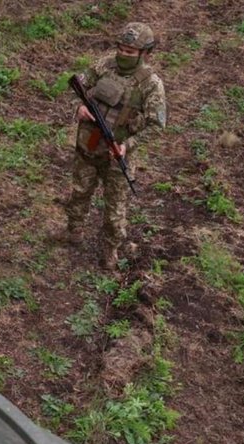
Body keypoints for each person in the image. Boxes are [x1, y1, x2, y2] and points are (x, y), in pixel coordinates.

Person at [61, 22, 167, 269]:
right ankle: (73, 231)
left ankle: (110, 250)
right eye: (121, 48)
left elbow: (156, 126)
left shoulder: (151, 84)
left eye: (130, 52)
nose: (123, 54)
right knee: (79, 191)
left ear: (145, 53)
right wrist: (79, 108)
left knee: (115, 207)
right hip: (89, 144)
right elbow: (77, 83)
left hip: (117, 154)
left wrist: (128, 145)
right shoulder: (105, 65)